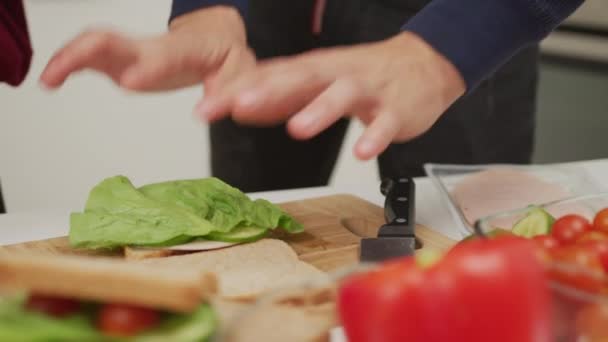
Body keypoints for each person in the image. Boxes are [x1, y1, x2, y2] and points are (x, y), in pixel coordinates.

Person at [39, 0, 583, 192]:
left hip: (459, 12)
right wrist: (208, 6)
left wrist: (454, 44)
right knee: (244, 238)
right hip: (271, 14)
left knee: (461, 240)